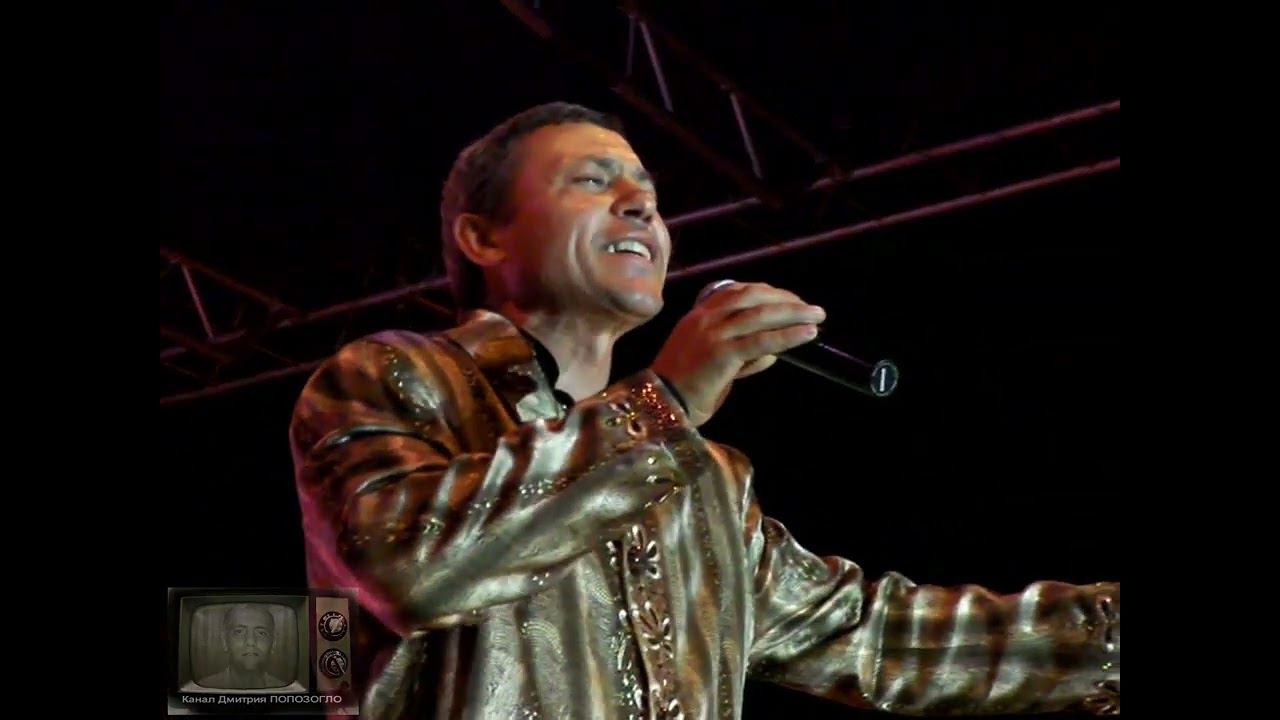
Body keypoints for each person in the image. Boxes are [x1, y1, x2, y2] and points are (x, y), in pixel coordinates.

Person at [289, 102, 1119, 719]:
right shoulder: (393, 375)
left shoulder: (705, 480)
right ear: (483, 238)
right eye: (591, 181)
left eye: (648, 193)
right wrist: (668, 401)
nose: (640, 205)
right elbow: (406, 567)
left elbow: (878, 638)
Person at [198, 604, 286, 689]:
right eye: (239, 632)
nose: (250, 642)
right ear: (224, 641)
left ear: (273, 643)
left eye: (261, 633)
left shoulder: (284, 690)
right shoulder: (204, 688)